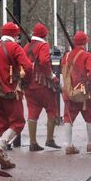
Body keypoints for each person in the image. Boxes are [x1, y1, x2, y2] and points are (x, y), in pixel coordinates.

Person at [0, 22, 32, 169]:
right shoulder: (15, 47)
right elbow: (28, 67)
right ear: (16, 35)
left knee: (3, 125)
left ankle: (4, 158)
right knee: (18, 123)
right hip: (10, 91)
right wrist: (25, 83)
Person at [61, 31, 91, 154]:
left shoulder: (67, 56)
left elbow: (64, 73)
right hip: (84, 92)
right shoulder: (86, 55)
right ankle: (90, 143)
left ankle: (68, 145)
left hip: (70, 91)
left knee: (68, 118)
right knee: (90, 116)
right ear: (85, 42)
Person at [23, 23, 61, 151]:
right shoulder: (43, 45)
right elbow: (44, 61)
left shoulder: (27, 46)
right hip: (42, 83)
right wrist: (51, 76)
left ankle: (33, 142)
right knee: (52, 109)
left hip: (28, 84)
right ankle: (50, 139)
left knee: (32, 112)